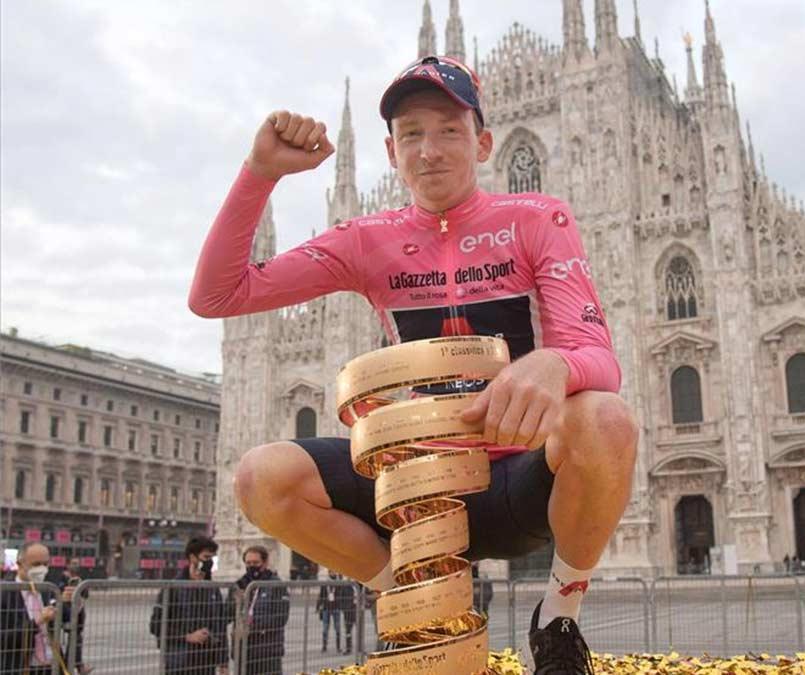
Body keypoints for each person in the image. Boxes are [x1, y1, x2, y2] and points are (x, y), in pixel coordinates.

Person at [189, 53, 638, 674]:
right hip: (418, 486)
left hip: (522, 480)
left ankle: (558, 616)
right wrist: (258, 175)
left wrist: (557, 365)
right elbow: (217, 295)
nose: (430, 150)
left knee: (606, 417)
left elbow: (598, 358)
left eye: (449, 131)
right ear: (391, 152)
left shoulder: (538, 220)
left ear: (483, 144)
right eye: (412, 136)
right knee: (260, 476)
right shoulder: (367, 239)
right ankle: (414, 592)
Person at [150, 536, 231, 675]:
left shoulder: (213, 588)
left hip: (206, 662)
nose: (210, 562)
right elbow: (156, 625)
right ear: (193, 557)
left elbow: (220, 627)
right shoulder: (172, 588)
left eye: (213, 558)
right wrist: (187, 636)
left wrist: (223, 662)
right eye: (206, 557)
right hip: (180, 662)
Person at [1, 542, 57, 674]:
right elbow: (3, 638)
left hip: (50, 666)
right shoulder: (4, 593)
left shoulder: (48, 589)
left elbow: (69, 620)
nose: (42, 569)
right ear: (20, 564)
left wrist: (74, 603)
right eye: (36, 564)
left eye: (46, 564)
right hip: (20, 667)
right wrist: (37, 622)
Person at [233, 546, 289, 675]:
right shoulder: (240, 584)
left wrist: (253, 628)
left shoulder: (276, 585)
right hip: (243, 649)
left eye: (256, 563)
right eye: (248, 563)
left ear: (265, 562)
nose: (252, 566)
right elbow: (226, 614)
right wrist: (236, 601)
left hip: (267, 651)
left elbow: (281, 618)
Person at [57, 559, 91, 674]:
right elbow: (58, 592)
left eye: (77, 563)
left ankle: (74, 664)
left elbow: (86, 595)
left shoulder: (80, 579)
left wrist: (82, 587)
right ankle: (75, 665)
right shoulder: (62, 578)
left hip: (78, 612)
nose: (76, 565)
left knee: (76, 638)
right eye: (73, 563)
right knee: (75, 638)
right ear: (67, 565)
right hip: (66, 612)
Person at [316, 573, 351, 655]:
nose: (333, 573)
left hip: (336, 608)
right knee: (325, 628)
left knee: (337, 628)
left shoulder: (339, 584)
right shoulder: (325, 584)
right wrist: (318, 606)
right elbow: (321, 595)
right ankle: (324, 646)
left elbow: (342, 595)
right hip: (326, 608)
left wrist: (341, 605)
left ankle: (338, 647)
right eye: (331, 571)